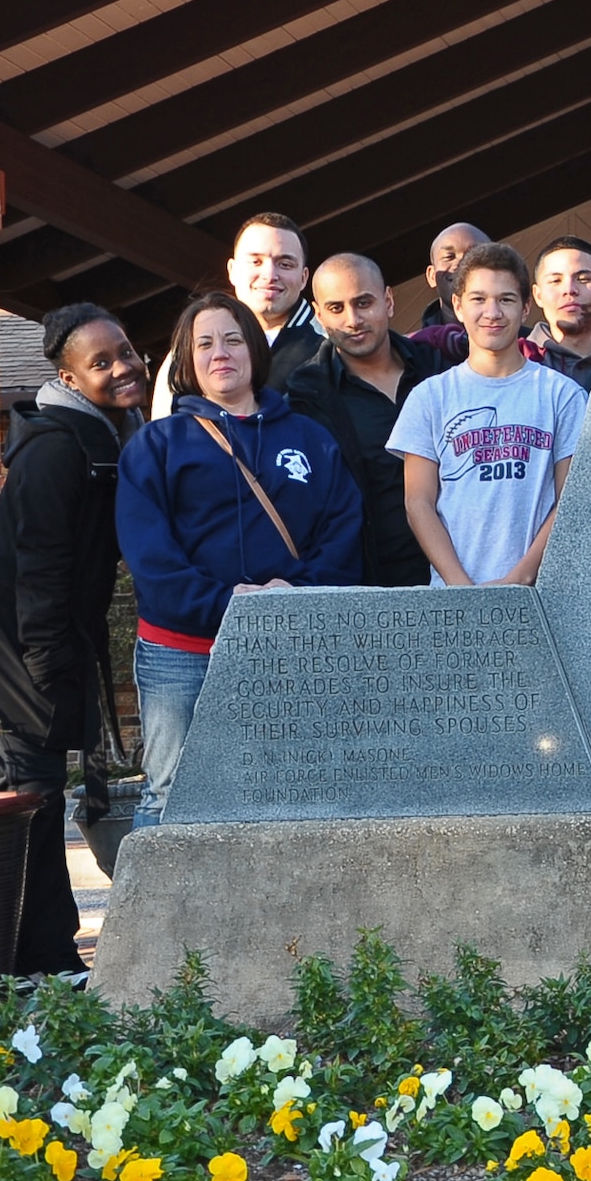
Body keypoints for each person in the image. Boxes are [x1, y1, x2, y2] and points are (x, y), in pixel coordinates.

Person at [117, 293, 363, 829]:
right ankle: (157, 916)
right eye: (204, 343)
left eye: (232, 340)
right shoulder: (156, 445)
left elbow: (342, 532)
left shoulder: (309, 439)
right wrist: (227, 602)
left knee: (291, 794)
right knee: (170, 795)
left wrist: (292, 595)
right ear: (187, 359)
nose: (220, 353)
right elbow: (150, 555)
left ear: (254, 349)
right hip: (182, 650)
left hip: (288, 644)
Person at [0, 305, 147, 974]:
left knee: (42, 787)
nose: (122, 367)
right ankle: (36, 959)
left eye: (126, 351)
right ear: (70, 379)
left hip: (43, 633)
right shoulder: (55, 446)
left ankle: (42, 950)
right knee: (36, 787)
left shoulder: (114, 436)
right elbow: (41, 566)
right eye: (100, 363)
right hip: (10, 635)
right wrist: (50, 666)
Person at [389, 242, 586, 586]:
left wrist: (520, 578)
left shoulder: (562, 395)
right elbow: (418, 503)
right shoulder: (430, 397)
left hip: (541, 594)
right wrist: (460, 587)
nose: (492, 312)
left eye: (506, 299)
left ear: (526, 307)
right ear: (458, 306)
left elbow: (571, 500)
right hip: (455, 598)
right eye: (478, 299)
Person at [287, 253, 448, 587]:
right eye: (336, 308)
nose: (352, 319)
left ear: (388, 301)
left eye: (363, 302)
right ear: (318, 315)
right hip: (363, 586)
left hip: (457, 572)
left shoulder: (441, 372)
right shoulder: (305, 400)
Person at [148, 213, 321, 417]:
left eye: (285, 264)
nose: (270, 275)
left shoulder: (328, 344)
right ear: (232, 270)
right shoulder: (189, 346)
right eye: (256, 262)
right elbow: (162, 428)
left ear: (303, 278)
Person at [528, 235, 591, 389]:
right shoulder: (520, 360)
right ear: (538, 295)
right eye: (555, 281)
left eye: (583, 279)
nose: (569, 290)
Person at [418, 222, 488, 329]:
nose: (461, 263)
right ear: (431, 276)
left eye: (474, 255)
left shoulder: (521, 343)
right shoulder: (416, 344)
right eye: (449, 257)